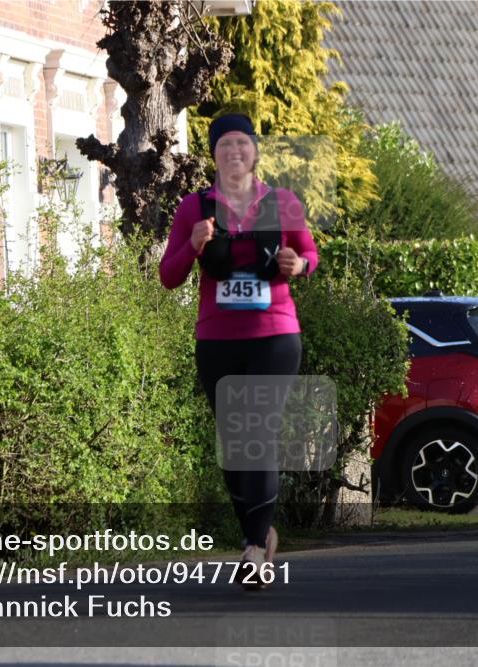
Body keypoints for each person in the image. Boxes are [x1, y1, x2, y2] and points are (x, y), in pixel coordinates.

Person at [159, 113, 318, 587]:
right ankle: (258, 534)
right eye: (224, 144)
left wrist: (299, 264)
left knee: (259, 433)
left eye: (242, 144)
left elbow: (309, 255)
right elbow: (168, 276)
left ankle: (252, 550)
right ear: (214, 154)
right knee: (234, 444)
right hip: (217, 339)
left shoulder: (283, 203)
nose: (234, 152)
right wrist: (192, 245)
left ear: (254, 151)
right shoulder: (195, 208)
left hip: (275, 335)